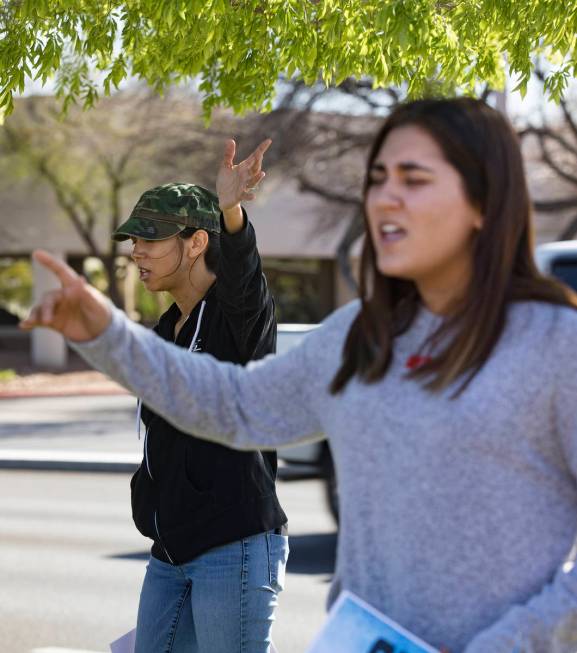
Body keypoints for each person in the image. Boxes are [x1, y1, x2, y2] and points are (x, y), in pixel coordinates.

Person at [22, 98, 577, 652]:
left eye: (414, 178)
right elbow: (235, 406)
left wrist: (509, 643)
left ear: (485, 200)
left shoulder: (557, 347)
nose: (386, 197)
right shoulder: (361, 335)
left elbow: (241, 287)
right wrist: (104, 332)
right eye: (379, 177)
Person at [67, 139, 290, 653]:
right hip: (169, 551)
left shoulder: (237, 318)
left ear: (194, 243)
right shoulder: (166, 328)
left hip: (231, 547)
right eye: (133, 241)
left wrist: (230, 211)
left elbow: (244, 279)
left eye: (151, 238)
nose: (136, 251)